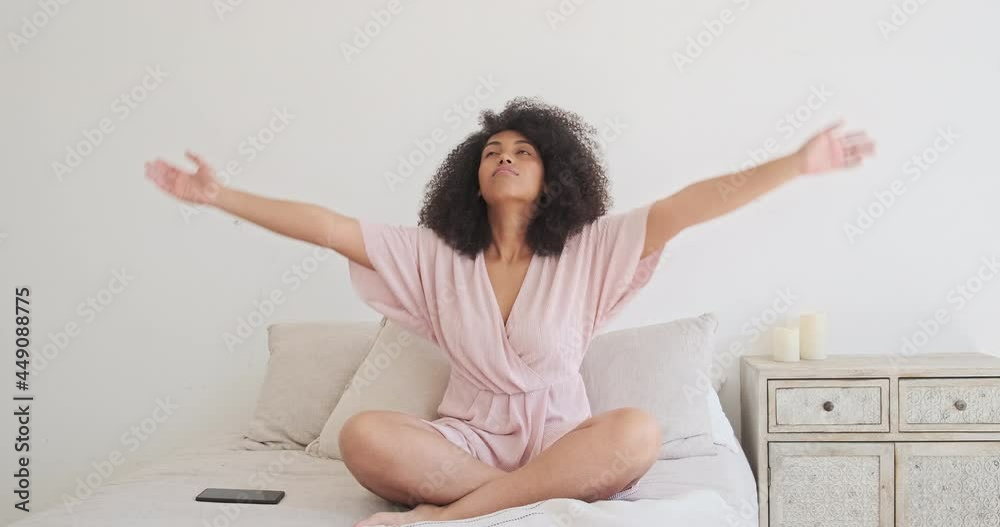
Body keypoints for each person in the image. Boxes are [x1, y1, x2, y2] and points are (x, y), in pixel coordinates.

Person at [144, 97, 875, 526]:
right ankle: (519, 503)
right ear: (474, 180)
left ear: (552, 175)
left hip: (566, 443)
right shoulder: (433, 255)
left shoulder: (592, 248)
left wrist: (796, 163)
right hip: (463, 445)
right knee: (364, 435)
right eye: (492, 151)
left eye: (523, 151)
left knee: (637, 432)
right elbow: (330, 227)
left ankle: (454, 518)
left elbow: (689, 206)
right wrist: (220, 195)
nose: (505, 157)